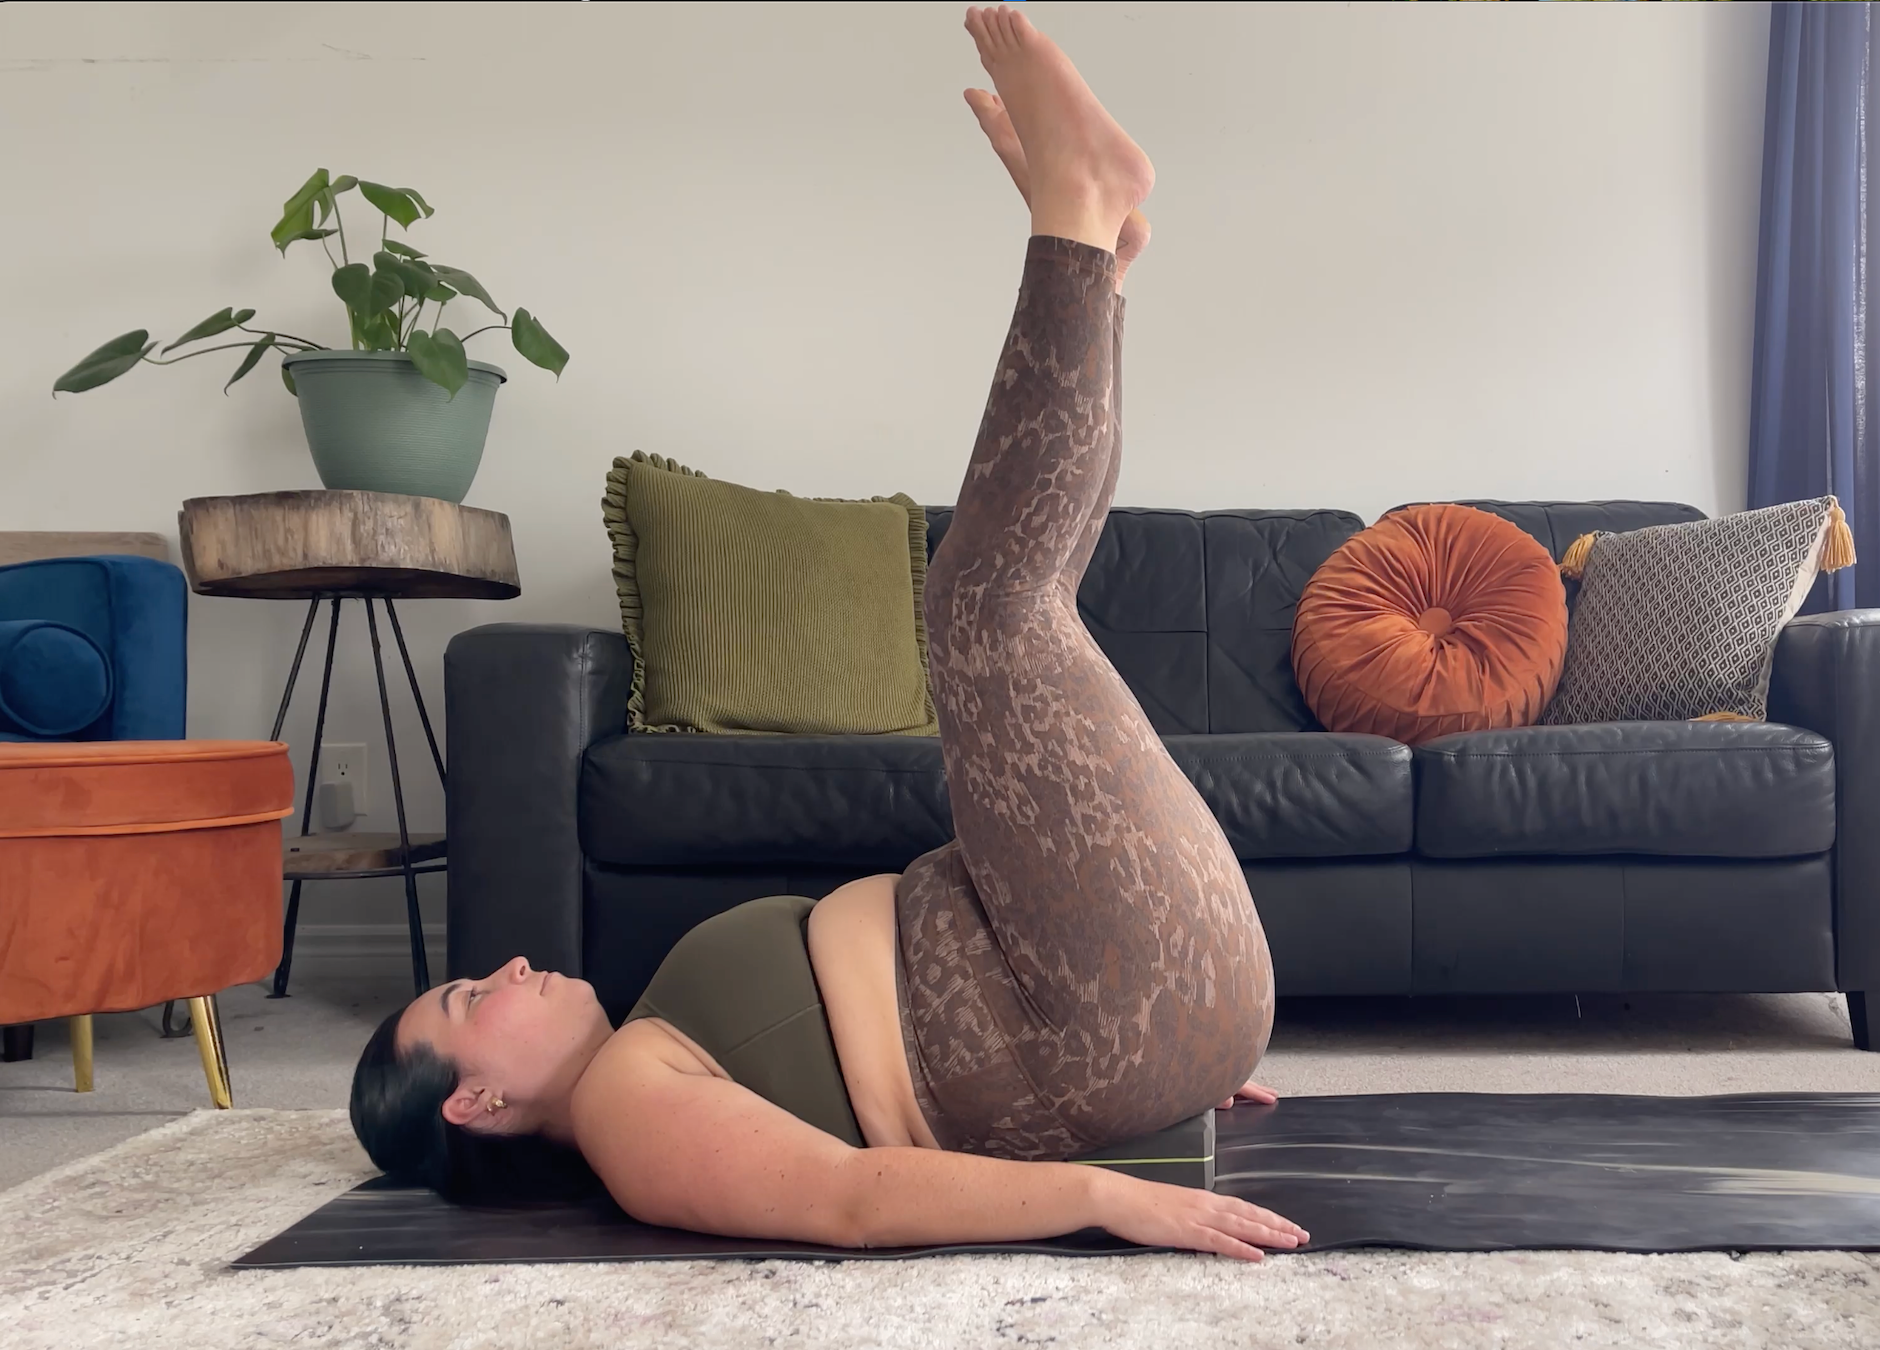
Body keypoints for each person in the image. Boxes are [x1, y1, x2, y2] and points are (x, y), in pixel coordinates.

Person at [349, 6, 1307, 1263]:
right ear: (477, 1103)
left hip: (1102, 1002)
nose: (511, 967)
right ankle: (1076, 231)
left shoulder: (656, 1044)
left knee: (1024, 597)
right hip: (1090, 1020)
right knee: (987, 607)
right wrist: (1107, 1188)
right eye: (475, 999)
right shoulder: (630, 1112)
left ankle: (1098, 260)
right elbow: (852, 1204)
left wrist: (1156, 1069)